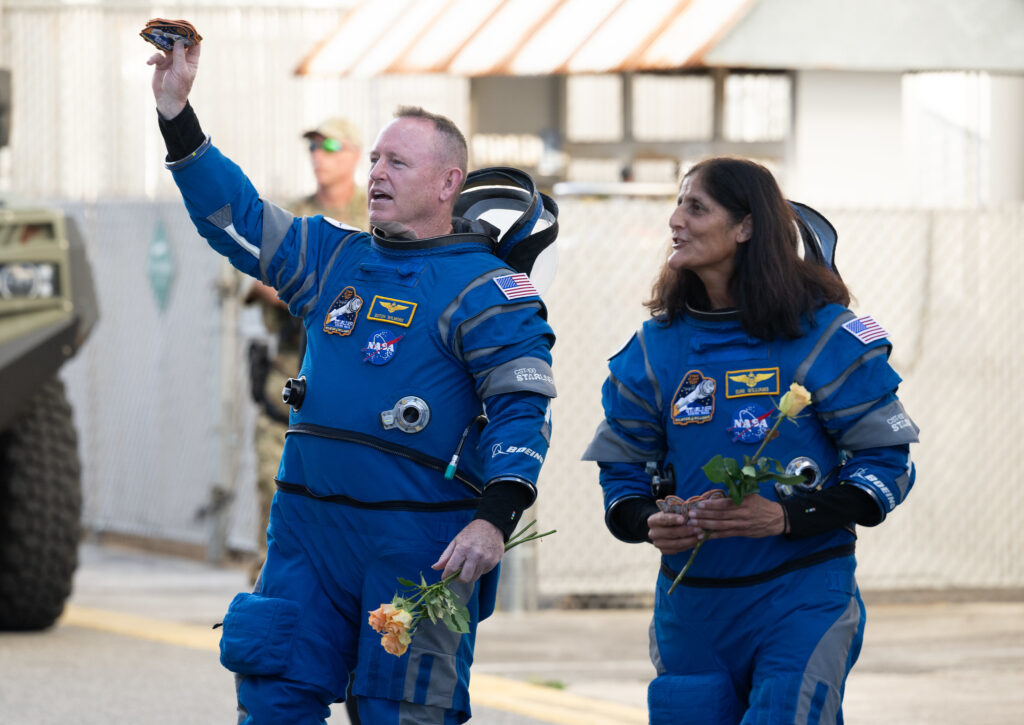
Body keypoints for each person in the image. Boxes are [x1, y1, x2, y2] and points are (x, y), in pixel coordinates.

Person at [148, 40, 556, 724]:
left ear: (449, 183)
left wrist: (495, 517)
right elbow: (236, 217)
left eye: (398, 162)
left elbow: (522, 407)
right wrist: (177, 114)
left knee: (404, 711)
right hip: (307, 533)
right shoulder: (331, 257)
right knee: (273, 695)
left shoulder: (489, 290)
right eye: (374, 159)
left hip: (417, 545)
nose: (376, 174)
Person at [582, 157, 918, 724]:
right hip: (691, 605)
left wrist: (786, 516)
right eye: (678, 204)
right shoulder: (652, 350)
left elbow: (887, 465)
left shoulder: (826, 337)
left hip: (802, 596)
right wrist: (647, 521)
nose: (675, 221)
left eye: (695, 206)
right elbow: (622, 475)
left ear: (745, 226)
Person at [244, 117, 367, 586]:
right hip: (289, 391)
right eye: (313, 146)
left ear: (355, 154)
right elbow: (257, 279)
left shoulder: (376, 216)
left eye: (331, 146)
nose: (320, 155)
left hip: (355, 397)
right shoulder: (294, 218)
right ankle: (264, 632)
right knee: (273, 515)